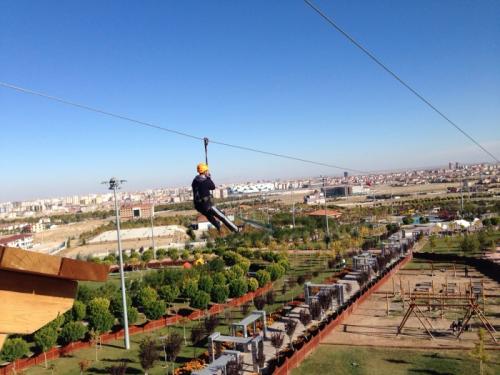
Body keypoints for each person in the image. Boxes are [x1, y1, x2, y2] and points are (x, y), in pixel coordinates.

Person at [192, 163, 239, 233]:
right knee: (222, 216)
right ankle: (236, 229)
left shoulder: (194, 181)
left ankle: (219, 228)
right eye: (207, 171)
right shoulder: (206, 181)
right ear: (205, 172)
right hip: (207, 205)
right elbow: (212, 187)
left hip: (198, 206)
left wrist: (206, 177)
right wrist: (209, 178)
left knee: (210, 217)